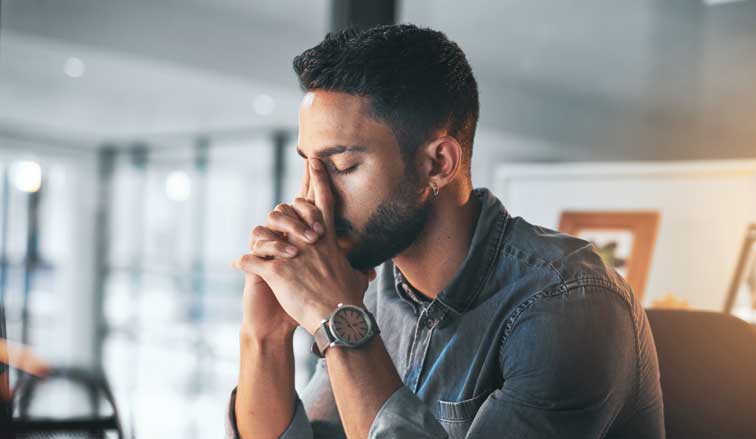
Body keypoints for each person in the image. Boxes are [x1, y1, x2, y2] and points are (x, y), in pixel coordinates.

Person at [226, 24, 664, 439]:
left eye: (341, 167)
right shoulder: (378, 291)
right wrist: (264, 336)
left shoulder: (566, 302)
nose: (314, 197)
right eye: (309, 165)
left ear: (437, 164)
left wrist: (338, 318)